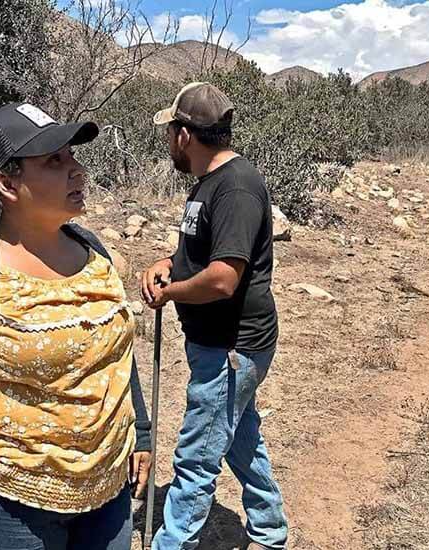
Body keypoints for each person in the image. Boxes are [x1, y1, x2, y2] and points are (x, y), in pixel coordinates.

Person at [0, 102, 152, 550]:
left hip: (108, 493)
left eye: (72, 156)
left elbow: (115, 352)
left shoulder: (92, 251)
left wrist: (144, 434)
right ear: (7, 183)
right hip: (10, 504)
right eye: (54, 160)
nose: (76, 170)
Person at [141, 83, 289, 550]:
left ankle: (172, 544)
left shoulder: (236, 187)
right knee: (241, 439)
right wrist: (168, 264)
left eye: (170, 131)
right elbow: (202, 253)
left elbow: (224, 277)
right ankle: (270, 531)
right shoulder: (208, 184)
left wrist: (172, 294)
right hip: (220, 346)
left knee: (196, 458)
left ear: (185, 135)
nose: (168, 141)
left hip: (232, 348)